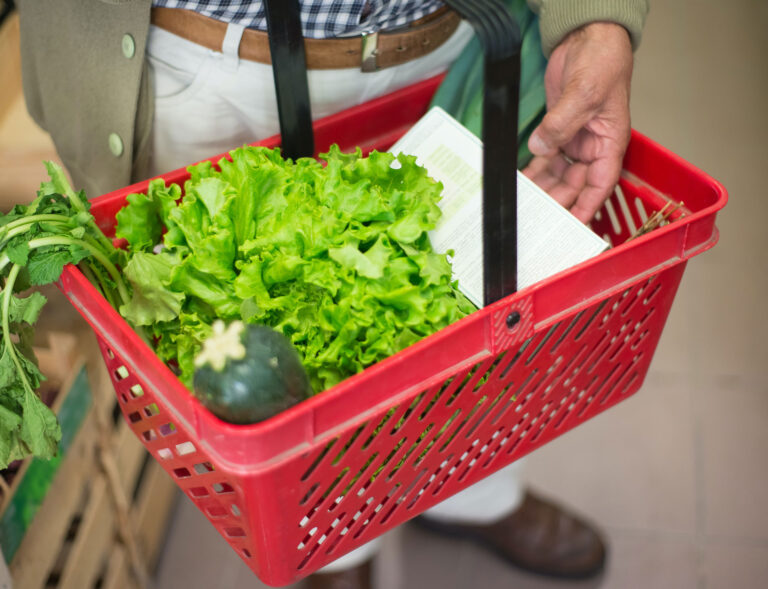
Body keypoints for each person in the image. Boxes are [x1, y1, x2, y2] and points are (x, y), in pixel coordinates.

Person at [16, 1, 649, 588]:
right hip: (205, 62)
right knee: (291, 377)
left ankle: (473, 493)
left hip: (448, 39)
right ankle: (337, 547)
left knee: (474, 305)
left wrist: (598, 16)